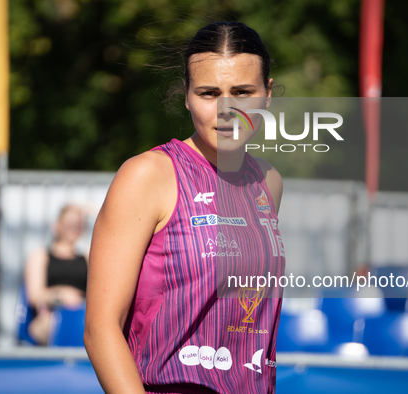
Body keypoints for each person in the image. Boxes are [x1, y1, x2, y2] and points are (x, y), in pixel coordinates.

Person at [84, 21, 285, 393]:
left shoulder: (268, 182)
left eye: (243, 92)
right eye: (209, 93)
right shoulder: (148, 176)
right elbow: (101, 330)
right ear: (188, 96)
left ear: (267, 94)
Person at [24, 204, 88, 345]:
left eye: (78, 224)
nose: (75, 227)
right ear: (57, 225)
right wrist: (60, 295)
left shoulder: (87, 257)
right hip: (49, 315)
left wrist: (90, 209)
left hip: (80, 315)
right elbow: (34, 296)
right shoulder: (41, 255)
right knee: (54, 327)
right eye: (70, 223)